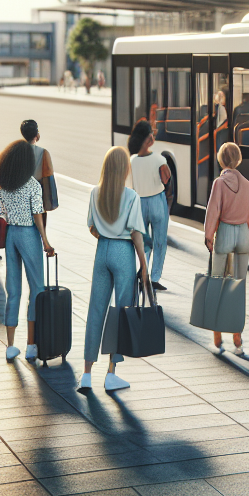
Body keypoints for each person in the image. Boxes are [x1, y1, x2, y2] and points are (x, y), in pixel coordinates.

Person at [80, 146, 151, 393]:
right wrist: (143, 264)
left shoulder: (95, 192)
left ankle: (86, 373)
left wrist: (105, 237)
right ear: (124, 168)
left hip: (102, 251)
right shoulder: (131, 196)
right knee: (121, 312)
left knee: (95, 309)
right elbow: (136, 233)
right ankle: (111, 373)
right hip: (123, 253)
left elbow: (91, 227)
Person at [0, 140, 55, 361]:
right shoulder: (32, 186)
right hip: (29, 234)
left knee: (13, 289)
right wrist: (46, 241)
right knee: (37, 287)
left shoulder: (3, 185)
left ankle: (10, 345)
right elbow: (38, 215)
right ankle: (31, 344)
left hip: (11, 235)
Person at [204, 141, 249, 355]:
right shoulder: (248, 185)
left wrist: (209, 236)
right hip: (243, 234)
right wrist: (244, 231)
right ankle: (238, 339)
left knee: (217, 282)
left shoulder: (219, 183)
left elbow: (213, 210)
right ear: (238, 159)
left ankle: (217, 337)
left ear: (221, 159)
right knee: (238, 286)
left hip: (225, 232)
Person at [127, 119, 170, 291]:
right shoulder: (159, 159)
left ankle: (143, 270)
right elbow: (166, 180)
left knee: (144, 241)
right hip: (157, 201)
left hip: (140, 203)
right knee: (160, 241)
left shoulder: (132, 160)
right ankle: (155, 277)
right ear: (149, 138)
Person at [20, 119, 57, 223]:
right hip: (38, 195)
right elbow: (48, 177)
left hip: (20, 194)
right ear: (36, 134)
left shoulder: (16, 151)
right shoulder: (43, 153)